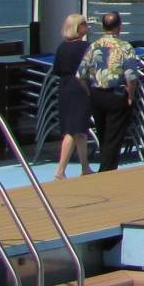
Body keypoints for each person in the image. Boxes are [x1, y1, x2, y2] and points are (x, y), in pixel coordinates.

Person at [77, 11, 141, 174]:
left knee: (104, 134)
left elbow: (80, 74)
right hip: (117, 94)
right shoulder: (124, 47)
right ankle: (106, 172)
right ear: (119, 27)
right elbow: (131, 76)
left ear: (103, 26)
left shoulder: (93, 46)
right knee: (114, 136)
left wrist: (89, 92)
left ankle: (105, 169)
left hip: (97, 94)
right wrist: (131, 94)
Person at [52, 13, 92, 180]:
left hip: (65, 86)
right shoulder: (85, 47)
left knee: (80, 129)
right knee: (73, 129)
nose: (87, 27)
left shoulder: (62, 47)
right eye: (85, 24)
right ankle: (60, 170)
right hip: (80, 87)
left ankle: (85, 166)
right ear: (78, 27)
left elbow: (57, 70)